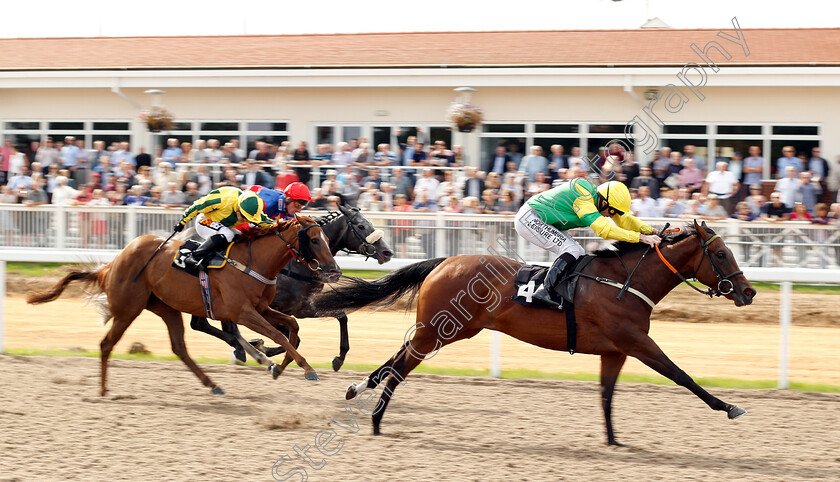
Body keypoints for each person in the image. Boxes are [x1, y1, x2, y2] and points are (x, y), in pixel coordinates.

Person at [514, 179, 661, 305]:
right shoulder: (584, 199)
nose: (612, 216)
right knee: (571, 250)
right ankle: (544, 291)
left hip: (543, 220)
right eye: (612, 212)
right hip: (530, 218)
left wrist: (652, 231)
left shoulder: (599, 200)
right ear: (604, 203)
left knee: (578, 252)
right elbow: (605, 231)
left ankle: (561, 292)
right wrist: (641, 238)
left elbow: (624, 219)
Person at [173, 187, 275, 270]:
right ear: (238, 207)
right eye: (244, 217)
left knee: (241, 235)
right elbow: (196, 206)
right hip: (205, 220)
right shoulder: (223, 200)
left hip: (222, 225)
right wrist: (182, 222)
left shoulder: (252, 209)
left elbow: (266, 222)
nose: (245, 221)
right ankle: (194, 256)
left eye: (248, 219)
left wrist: (284, 226)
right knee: (228, 234)